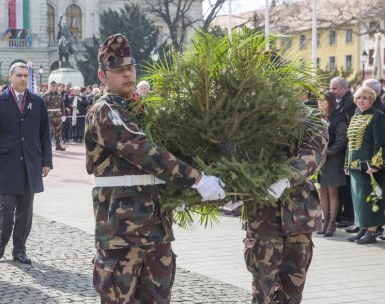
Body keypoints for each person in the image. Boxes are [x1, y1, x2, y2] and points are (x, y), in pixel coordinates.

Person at [85, 33, 225, 303]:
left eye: (130, 67)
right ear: (103, 76)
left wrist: (177, 194)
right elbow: (146, 152)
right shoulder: (105, 112)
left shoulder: (143, 110)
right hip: (121, 233)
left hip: (156, 229)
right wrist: (196, 180)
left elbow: (171, 147)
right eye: (118, 70)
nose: (127, 74)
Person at [243, 108, 328, 302]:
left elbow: (314, 153)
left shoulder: (310, 117)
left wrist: (286, 178)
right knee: (262, 289)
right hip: (263, 215)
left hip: (299, 215)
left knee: (293, 289)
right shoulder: (256, 112)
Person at [0, 62, 53, 264]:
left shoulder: (38, 102)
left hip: (30, 164)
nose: (23, 79)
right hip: (5, 165)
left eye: (25, 75)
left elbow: (44, 134)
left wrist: (46, 161)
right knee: (6, 207)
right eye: (19, 75)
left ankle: (19, 249)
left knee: (25, 210)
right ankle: (1, 242)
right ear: (10, 77)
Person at [344, 86, 385, 244]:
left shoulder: (378, 116)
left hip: (369, 166)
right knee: (359, 199)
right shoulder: (355, 115)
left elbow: (380, 142)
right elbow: (350, 144)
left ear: (371, 100)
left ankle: (372, 231)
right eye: (359, 97)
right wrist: (346, 163)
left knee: (370, 199)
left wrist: (376, 164)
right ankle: (363, 227)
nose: (361, 100)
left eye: (365, 98)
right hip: (355, 165)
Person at [317, 91, 348, 237]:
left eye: (324, 100)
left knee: (332, 192)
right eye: (319, 100)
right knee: (322, 190)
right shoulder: (318, 117)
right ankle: (325, 221)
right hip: (321, 159)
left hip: (333, 158)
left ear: (331, 101)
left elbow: (342, 140)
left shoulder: (339, 117)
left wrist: (326, 153)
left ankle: (332, 224)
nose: (320, 102)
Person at [330, 77, 356, 229]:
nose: (332, 92)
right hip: (340, 150)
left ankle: (348, 216)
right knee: (340, 186)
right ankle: (339, 214)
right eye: (331, 88)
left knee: (346, 186)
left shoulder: (351, 102)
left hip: (346, 148)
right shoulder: (339, 102)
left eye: (335, 88)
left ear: (345, 88)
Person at [43, 81, 66, 151]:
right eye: (52, 86)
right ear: (49, 86)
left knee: (58, 132)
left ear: (56, 86)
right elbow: (43, 106)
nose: (53, 87)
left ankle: (58, 145)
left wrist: (63, 115)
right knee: (47, 132)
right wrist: (43, 116)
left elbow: (62, 105)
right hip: (49, 116)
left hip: (58, 116)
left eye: (54, 86)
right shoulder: (46, 95)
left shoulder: (59, 94)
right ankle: (47, 146)